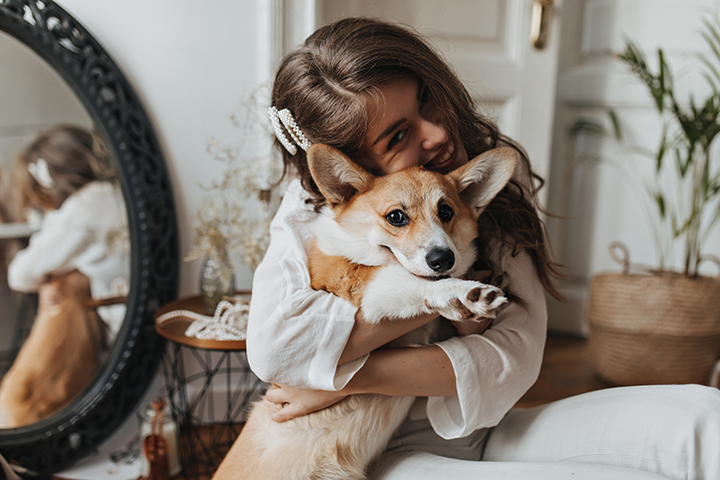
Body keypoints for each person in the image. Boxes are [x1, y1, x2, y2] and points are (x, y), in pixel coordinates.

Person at [245, 17, 720, 480]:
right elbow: (275, 351)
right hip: (386, 452)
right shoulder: (313, 212)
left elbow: (515, 356)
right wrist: (445, 296)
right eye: (397, 137)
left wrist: (340, 379)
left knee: (704, 418)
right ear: (350, 173)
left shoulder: (473, 187)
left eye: (426, 101)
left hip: (484, 428)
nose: (436, 134)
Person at [7, 124, 130, 339]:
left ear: (48, 178)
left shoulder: (84, 207)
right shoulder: (118, 191)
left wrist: (46, 280)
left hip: (120, 327)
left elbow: (19, 274)